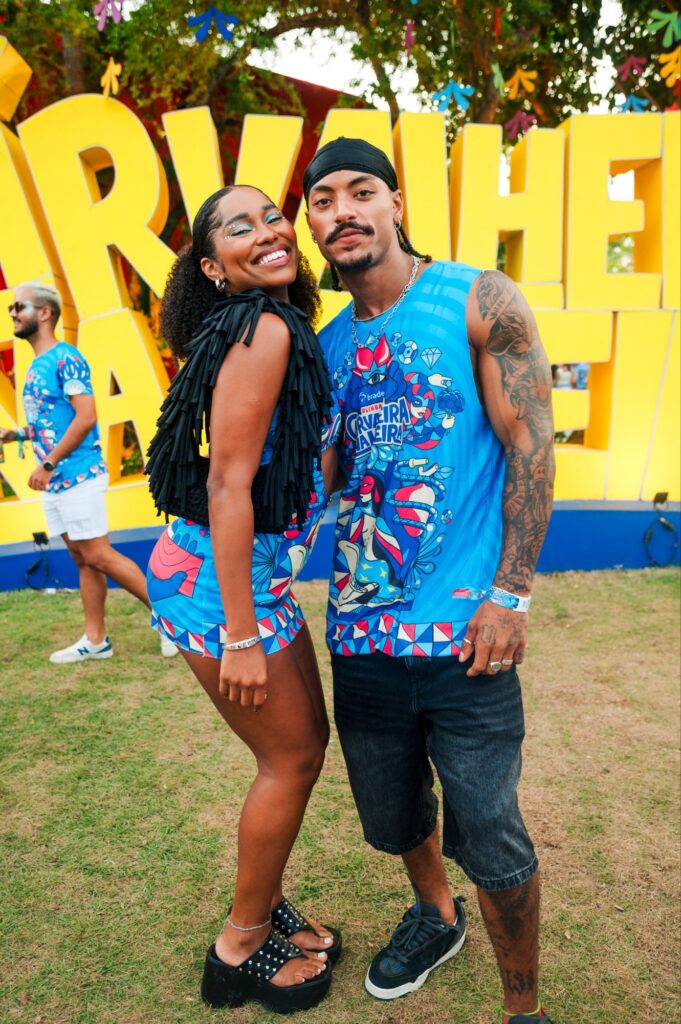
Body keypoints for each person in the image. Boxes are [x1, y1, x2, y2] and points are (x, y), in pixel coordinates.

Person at [303, 138, 556, 1024]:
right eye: (322, 200)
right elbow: (313, 483)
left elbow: (529, 440)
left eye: (359, 191)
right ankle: (434, 915)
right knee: (392, 813)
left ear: (395, 203)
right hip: (361, 635)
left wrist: (510, 594)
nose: (342, 211)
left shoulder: (476, 297)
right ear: (312, 226)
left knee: (489, 831)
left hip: (464, 635)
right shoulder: (323, 348)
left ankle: (522, 1011)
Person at [145, 185, 341, 1014]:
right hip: (223, 589)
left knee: (303, 748)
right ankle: (239, 946)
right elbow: (226, 486)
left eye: (270, 216)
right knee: (288, 760)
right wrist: (240, 634)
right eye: (239, 227)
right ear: (212, 267)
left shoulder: (263, 323)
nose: (267, 231)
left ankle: (267, 902)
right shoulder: (262, 328)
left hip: (239, 575)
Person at [0, 282, 177, 662]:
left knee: (99, 554)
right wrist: (18, 435)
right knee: (83, 558)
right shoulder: (37, 364)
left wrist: (48, 463)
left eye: (19, 307)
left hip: (77, 475)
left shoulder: (66, 357)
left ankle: (174, 620)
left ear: (44, 313)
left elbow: (86, 417)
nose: (12, 313)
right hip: (57, 482)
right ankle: (96, 641)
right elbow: (55, 420)